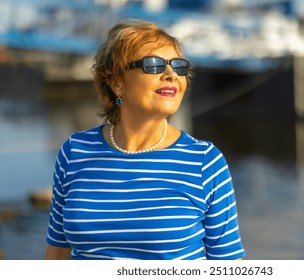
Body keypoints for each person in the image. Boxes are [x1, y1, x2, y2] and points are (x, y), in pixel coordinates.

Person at [44, 18, 245, 260]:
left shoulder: (204, 162)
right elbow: (57, 252)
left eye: (179, 66)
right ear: (117, 82)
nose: (171, 74)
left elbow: (228, 264)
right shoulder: (75, 151)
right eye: (153, 65)